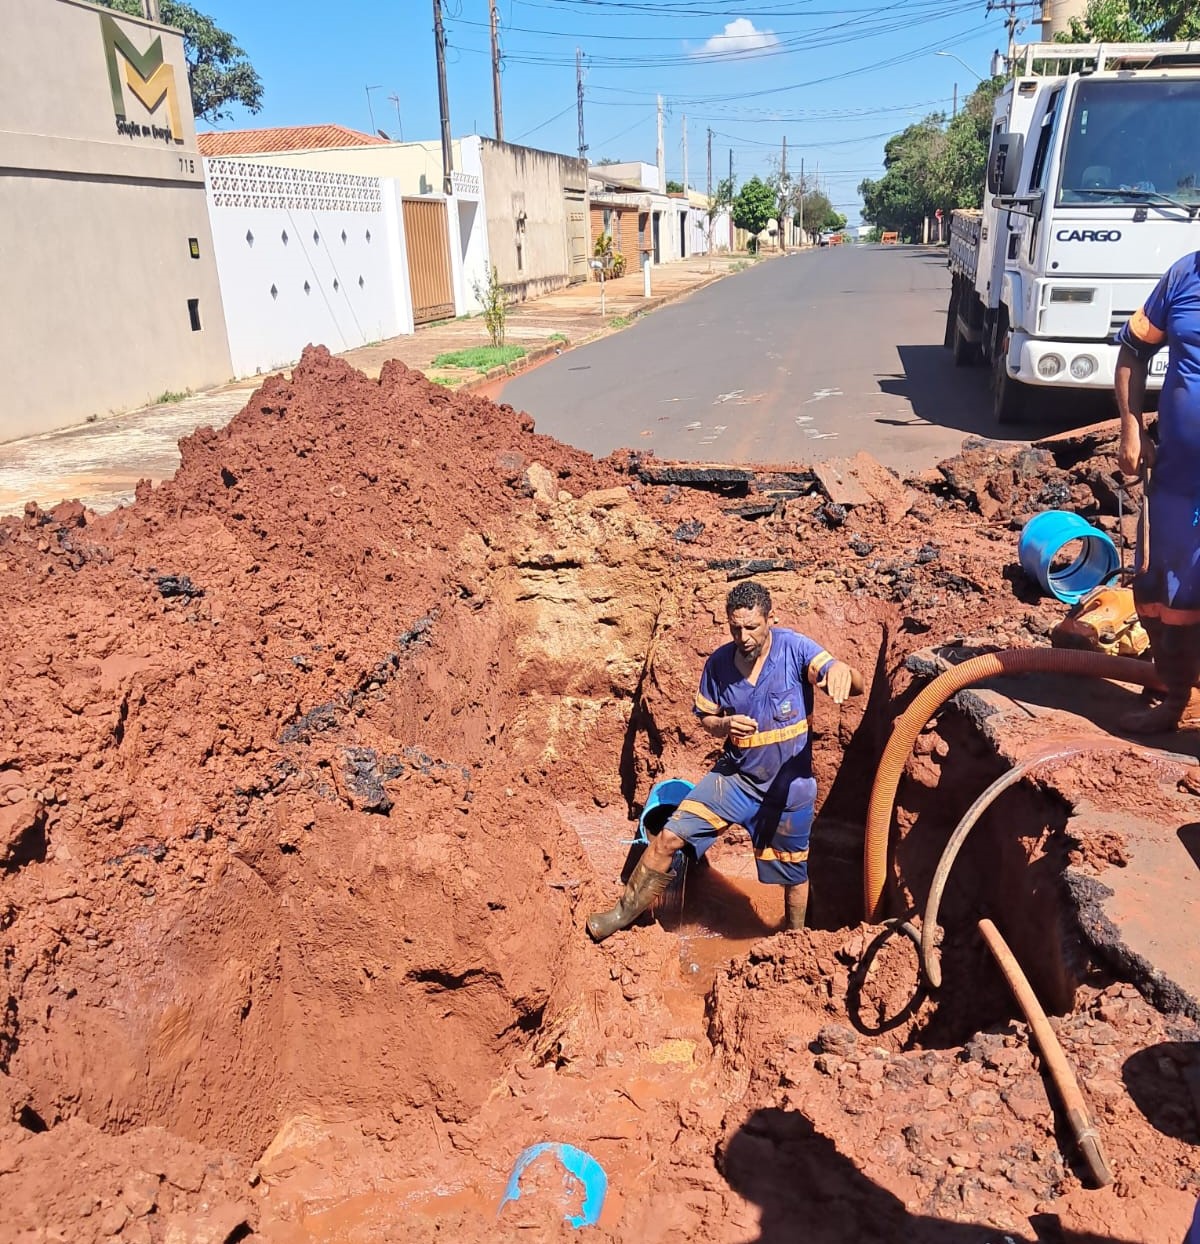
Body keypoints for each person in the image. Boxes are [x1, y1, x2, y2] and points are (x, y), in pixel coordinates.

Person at [586, 581, 863, 942]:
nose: (744, 636)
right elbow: (706, 719)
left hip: (787, 788)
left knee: (794, 871)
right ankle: (623, 913)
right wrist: (725, 724)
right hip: (734, 778)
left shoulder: (794, 648)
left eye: (752, 627)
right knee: (669, 836)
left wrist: (843, 671)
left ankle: (795, 941)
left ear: (769, 620)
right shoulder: (718, 664)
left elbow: (844, 680)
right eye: (736, 628)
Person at [1115, 249, 1200, 732]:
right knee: (1156, 588)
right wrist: (1131, 425)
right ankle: (1176, 695)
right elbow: (1133, 348)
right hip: (1180, 474)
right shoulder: (1184, 276)